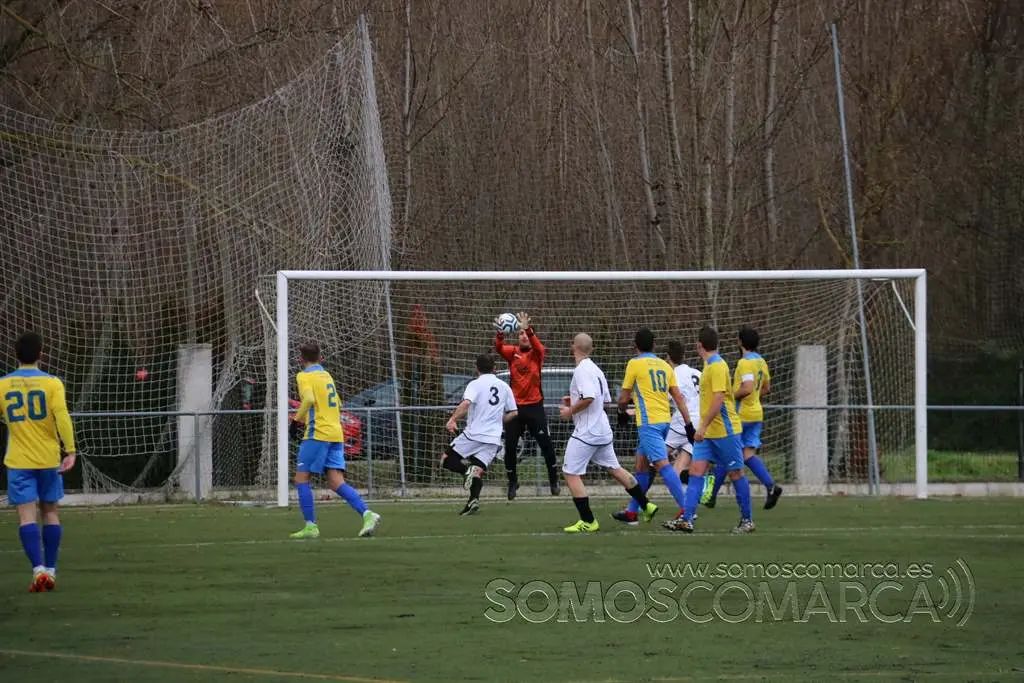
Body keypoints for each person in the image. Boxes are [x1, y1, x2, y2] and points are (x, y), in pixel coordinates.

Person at [0, 331, 76, 592]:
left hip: (19, 461)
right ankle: (51, 571)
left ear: (15, 356)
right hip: (47, 459)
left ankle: (38, 570)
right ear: (41, 355)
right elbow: (62, 417)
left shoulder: (3, 384)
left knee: (26, 517)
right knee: (50, 512)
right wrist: (71, 450)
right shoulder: (52, 383)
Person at [559, 333, 657, 533]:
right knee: (615, 469)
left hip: (588, 431)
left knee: (570, 473)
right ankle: (646, 504)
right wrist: (574, 399)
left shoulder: (581, 370)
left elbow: (589, 397)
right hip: (602, 429)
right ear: (591, 349)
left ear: (573, 347)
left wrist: (570, 411)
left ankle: (588, 521)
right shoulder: (596, 370)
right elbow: (603, 401)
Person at [667, 326, 754, 533]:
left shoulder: (717, 366)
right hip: (707, 434)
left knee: (735, 473)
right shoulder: (708, 366)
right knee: (696, 472)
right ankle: (686, 519)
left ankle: (747, 520)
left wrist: (702, 426)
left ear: (699, 345)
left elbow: (718, 398)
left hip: (725, 431)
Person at [289, 342, 381, 539]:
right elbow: (337, 403)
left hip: (317, 433)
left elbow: (308, 400)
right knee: (335, 481)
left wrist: (296, 421)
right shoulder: (326, 375)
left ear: (300, 360)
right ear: (321, 358)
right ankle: (367, 514)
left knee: (301, 479)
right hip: (336, 433)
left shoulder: (304, 375)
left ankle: (311, 525)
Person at [613, 339, 704, 526]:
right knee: (641, 465)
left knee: (662, 465)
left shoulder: (635, 363)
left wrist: (621, 410)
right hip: (666, 421)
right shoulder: (665, 366)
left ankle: (687, 510)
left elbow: (624, 396)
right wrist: (688, 425)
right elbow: (678, 398)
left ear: (636, 347)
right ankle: (632, 511)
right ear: (654, 346)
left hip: (649, 424)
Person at [705, 326, 782, 510]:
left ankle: (711, 495)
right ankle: (771, 487)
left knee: (726, 455)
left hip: (742, 415)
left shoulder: (745, 363)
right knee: (747, 455)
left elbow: (747, 388)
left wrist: (731, 395)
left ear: (740, 342)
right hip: (756, 413)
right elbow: (766, 388)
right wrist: (754, 398)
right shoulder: (761, 362)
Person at [441, 354, 518, 515]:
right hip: (493, 438)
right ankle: (473, 501)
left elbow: (466, 403)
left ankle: (466, 472)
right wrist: (498, 421)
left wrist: (453, 419)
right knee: (477, 470)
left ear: (477, 368)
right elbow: (513, 412)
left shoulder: (475, 384)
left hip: (473, 434)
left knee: (446, 460)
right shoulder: (504, 386)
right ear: (495, 368)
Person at [494, 312, 559, 499]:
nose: (522, 336)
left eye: (525, 333)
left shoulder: (537, 353)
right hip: (515, 408)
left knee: (546, 445)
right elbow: (498, 347)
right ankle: (513, 482)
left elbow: (539, 346)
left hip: (535, 406)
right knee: (510, 446)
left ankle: (553, 481)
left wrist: (528, 329)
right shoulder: (512, 352)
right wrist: (500, 332)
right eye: (520, 333)